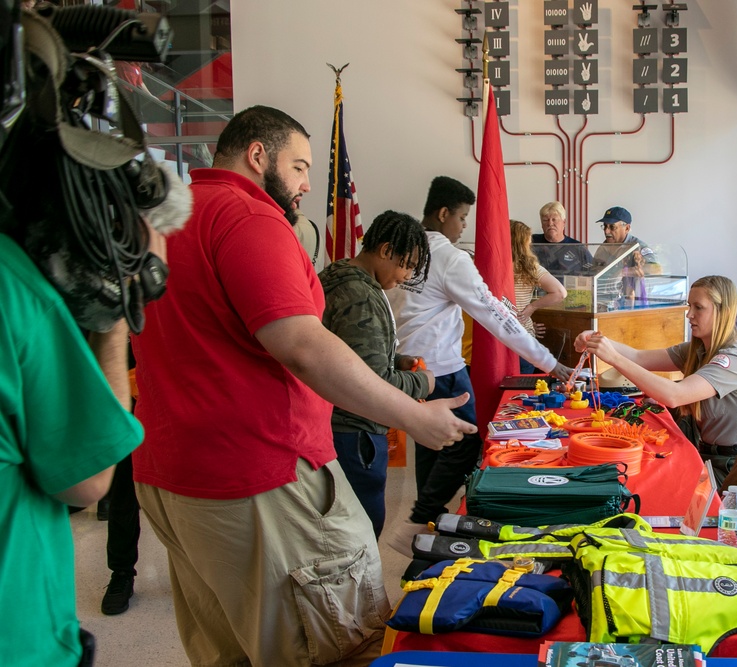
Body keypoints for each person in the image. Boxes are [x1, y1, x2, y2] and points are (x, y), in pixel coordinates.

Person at [131, 106, 477, 667]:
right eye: (299, 166)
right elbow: (303, 345)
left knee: (232, 649)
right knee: (339, 644)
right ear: (258, 155)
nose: (307, 183)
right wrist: (415, 415)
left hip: (172, 474)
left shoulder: (167, 217)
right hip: (259, 472)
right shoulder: (249, 216)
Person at [385, 176, 572, 555]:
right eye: (463, 218)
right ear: (443, 214)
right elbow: (497, 317)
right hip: (441, 368)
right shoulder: (450, 258)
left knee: (430, 444)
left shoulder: (402, 248)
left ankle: (427, 527)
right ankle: (420, 520)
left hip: (405, 367)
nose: (465, 227)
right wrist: (550, 363)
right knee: (466, 443)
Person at [0, 234, 144, 665]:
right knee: (115, 486)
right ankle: (121, 572)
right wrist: (118, 315)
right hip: (20, 639)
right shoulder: (15, 285)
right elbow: (88, 478)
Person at [575, 275, 737, 479]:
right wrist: (596, 338)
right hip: (709, 456)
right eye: (689, 306)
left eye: (698, 307)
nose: (689, 314)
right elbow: (640, 357)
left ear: (724, 312)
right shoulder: (698, 350)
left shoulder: (732, 361)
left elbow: (675, 395)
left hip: (733, 468)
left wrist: (614, 358)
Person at [319, 210, 435, 538]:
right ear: (385, 251)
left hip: (338, 427)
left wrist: (394, 359)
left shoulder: (343, 276)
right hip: (353, 432)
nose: (407, 275)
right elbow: (371, 383)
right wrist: (422, 382)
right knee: (363, 528)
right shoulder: (361, 297)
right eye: (407, 264)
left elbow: (347, 354)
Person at [512, 219, 567, 374]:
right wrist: (531, 307)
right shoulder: (531, 267)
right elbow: (560, 292)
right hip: (523, 337)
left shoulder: (493, 265)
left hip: (498, 338)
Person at [591, 206, 658, 308]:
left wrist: (624, 272)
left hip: (632, 306)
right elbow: (594, 271)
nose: (606, 231)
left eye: (612, 227)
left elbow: (656, 269)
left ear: (627, 228)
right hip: (605, 304)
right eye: (605, 226)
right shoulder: (603, 247)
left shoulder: (637, 246)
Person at [531, 201, 592, 275]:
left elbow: (592, 272)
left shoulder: (577, 247)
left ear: (564, 222)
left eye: (554, 219)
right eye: (545, 220)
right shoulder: (531, 242)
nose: (550, 223)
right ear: (541, 224)